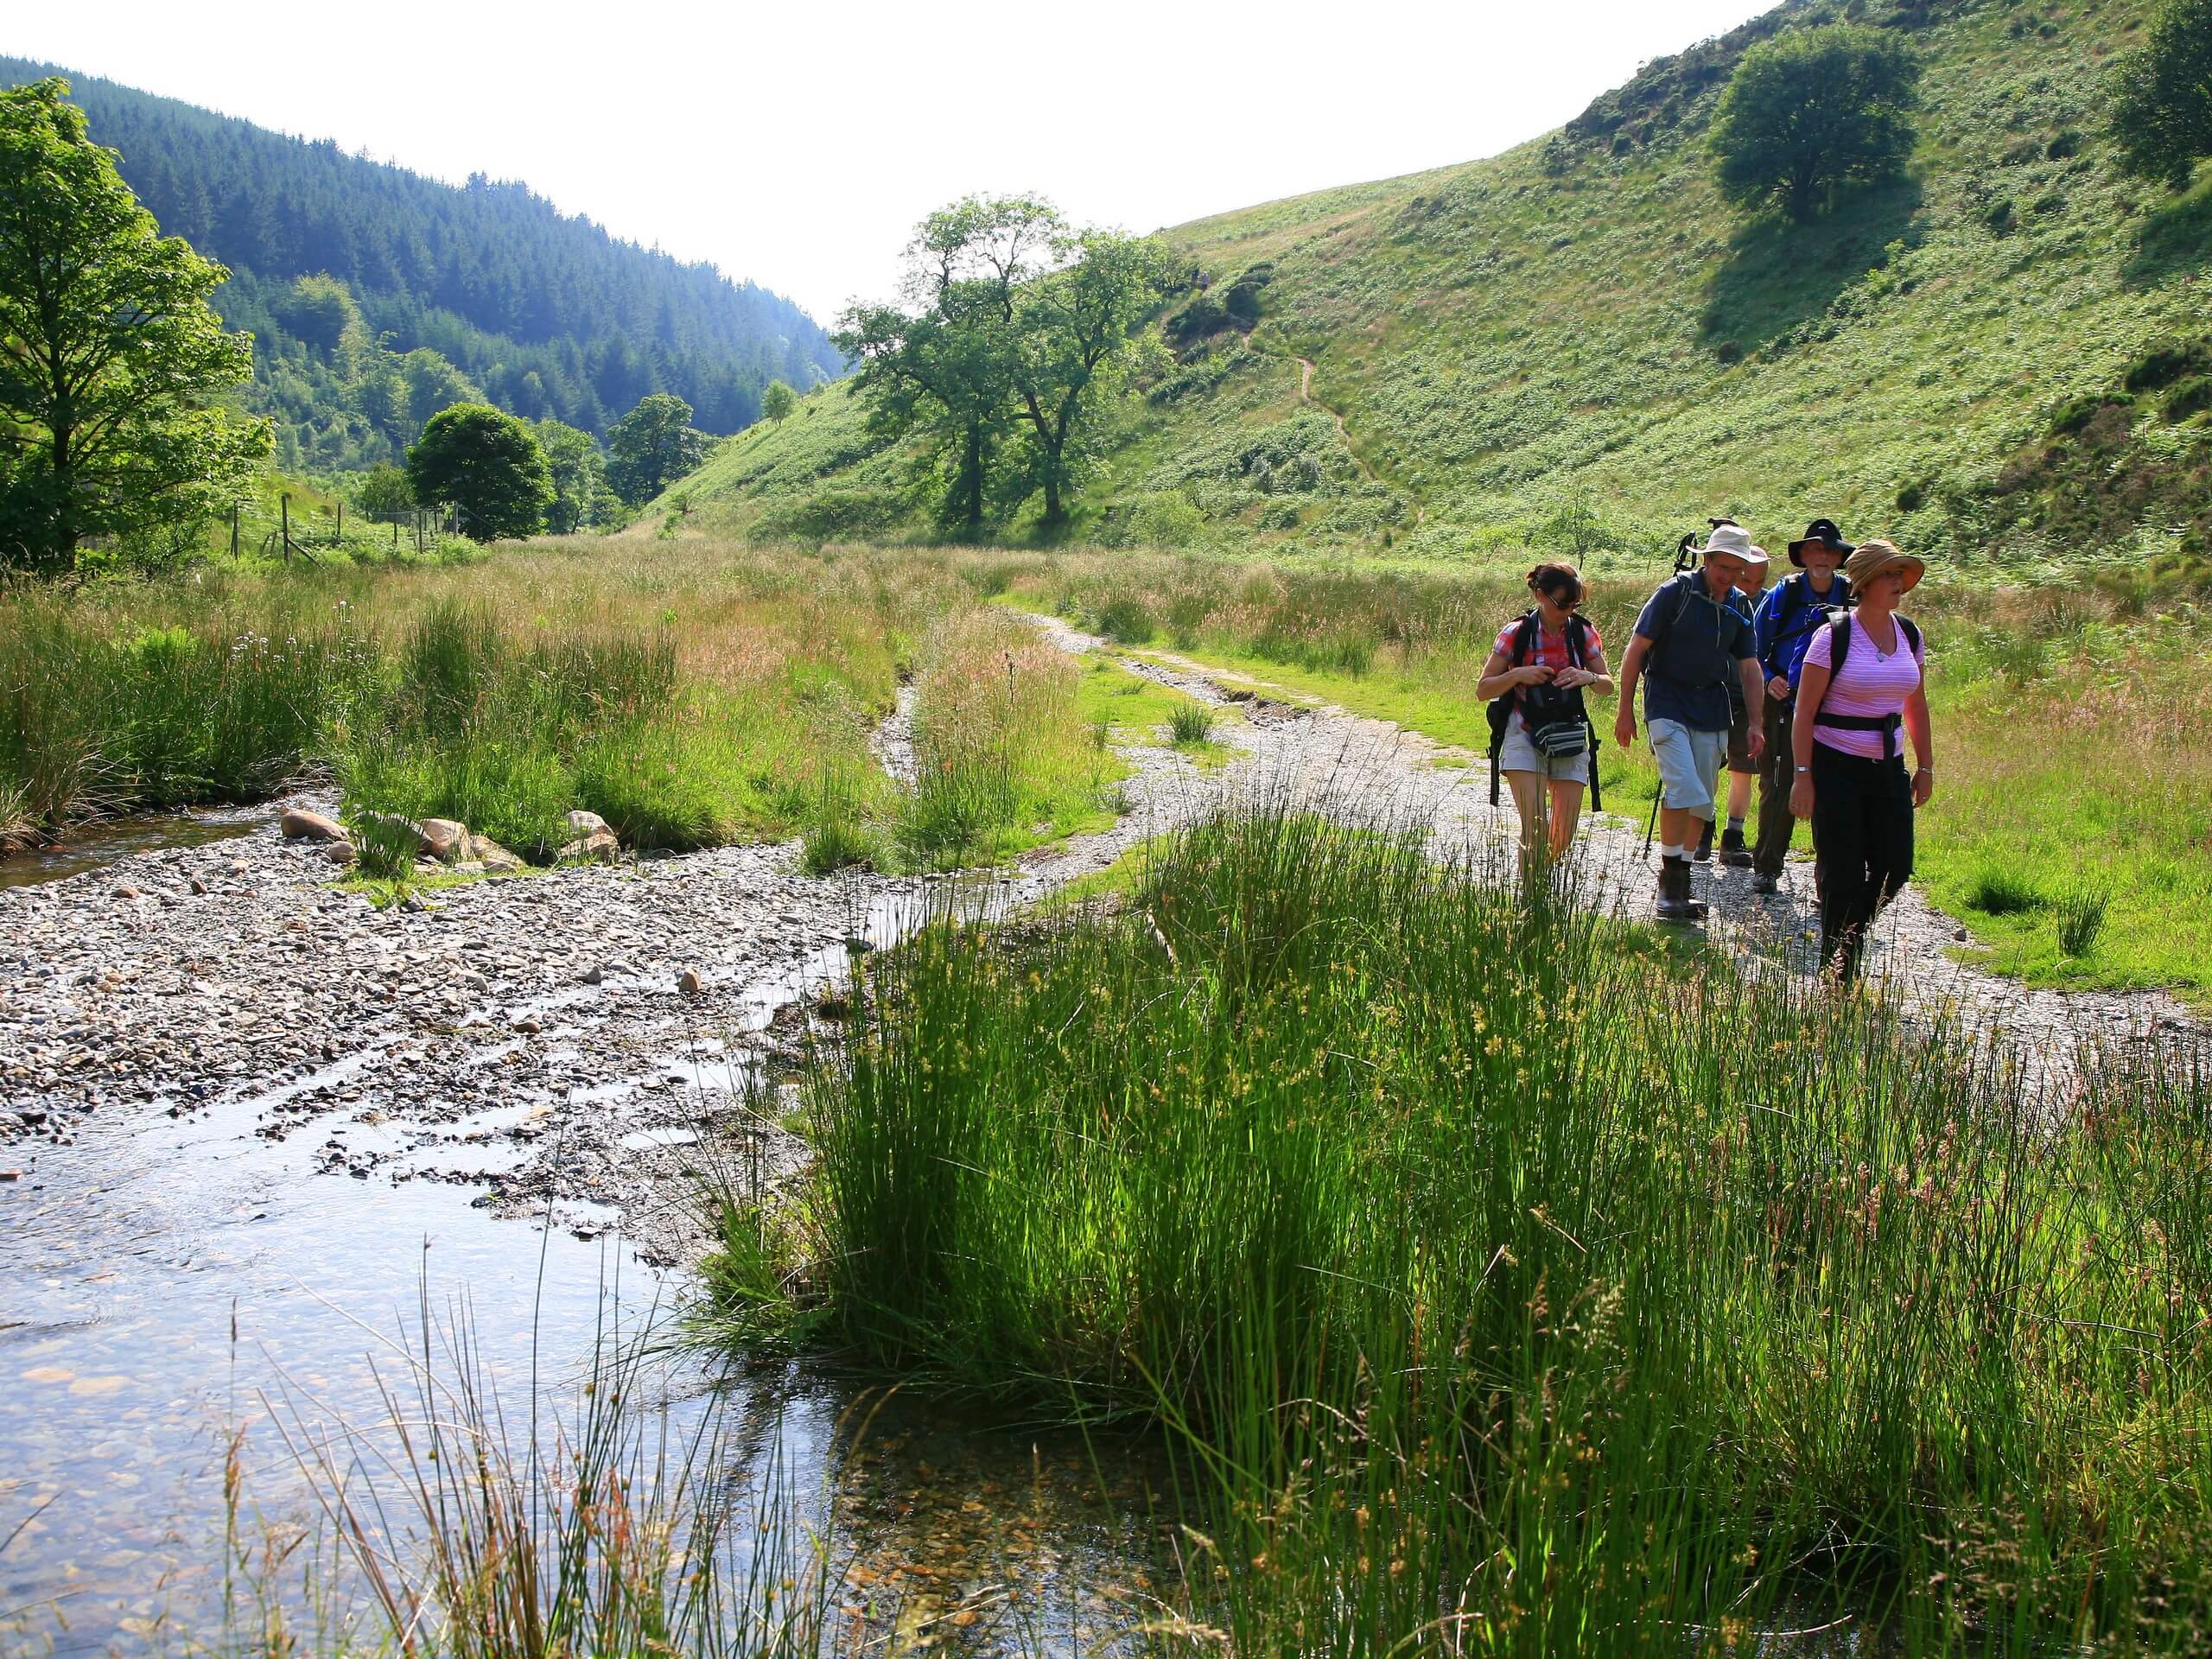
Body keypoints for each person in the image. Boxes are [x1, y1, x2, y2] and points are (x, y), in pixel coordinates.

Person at [1788, 539, 1935, 982]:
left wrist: (1925, 766)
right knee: (1843, 871)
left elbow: (1916, 705)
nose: (1898, 584)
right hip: (1835, 766)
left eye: (1901, 576)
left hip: (1888, 767)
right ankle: (1838, 976)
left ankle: (1847, 934)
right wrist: (1802, 777)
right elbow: (1804, 713)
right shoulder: (1833, 636)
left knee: (1895, 867)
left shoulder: (1909, 633)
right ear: (1867, 582)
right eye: (1890, 575)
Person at [1614, 524, 1767, 921]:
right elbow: (1636, 651)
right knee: (1684, 788)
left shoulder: (1739, 605)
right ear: (1709, 560)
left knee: (1703, 801)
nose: (1729, 577)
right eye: (1724, 567)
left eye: (1738, 570)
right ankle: (1670, 886)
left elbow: (1750, 670)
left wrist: (1756, 722)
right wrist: (1625, 709)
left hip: (1713, 708)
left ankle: (1680, 887)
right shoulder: (1674, 593)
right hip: (1666, 701)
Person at [1478, 563, 1613, 874]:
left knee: (1563, 834)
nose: (1567, 611)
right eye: (1561, 604)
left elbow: (1608, 685)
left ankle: (1540, 881)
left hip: (1569, 734)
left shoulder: (1582, 632)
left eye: (1574, 604)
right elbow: (1483, 690)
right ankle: (1531, 902)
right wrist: (1520, 674)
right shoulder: (1517, 633)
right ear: (1540, 595)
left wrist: (1587, 676)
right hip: (1523, 733)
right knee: (1535, 829)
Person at [1750, 518, 1854, 895]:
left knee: (1831, 786)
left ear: (1839, 557)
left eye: (1829, 551)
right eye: (1814, 550)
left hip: (1833, 704)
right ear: (1804, 556)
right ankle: (1766, 866)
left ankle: (1828, 879)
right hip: (1783, 699)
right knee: (1779, 782)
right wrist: (1768, 677)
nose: (1822, 557)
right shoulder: (1784, 594)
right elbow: (1754, 644)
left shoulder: (1851, 595)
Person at [1710, 538, 1771, 867]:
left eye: (1759, 582)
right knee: (1706, 764)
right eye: (1746, 579)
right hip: (1713, 691)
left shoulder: (1769, 605)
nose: (1751, 587)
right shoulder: (1717, 598)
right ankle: (1703, 824)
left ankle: (1733, 836)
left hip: (1748, 696)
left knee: (1743, 768)